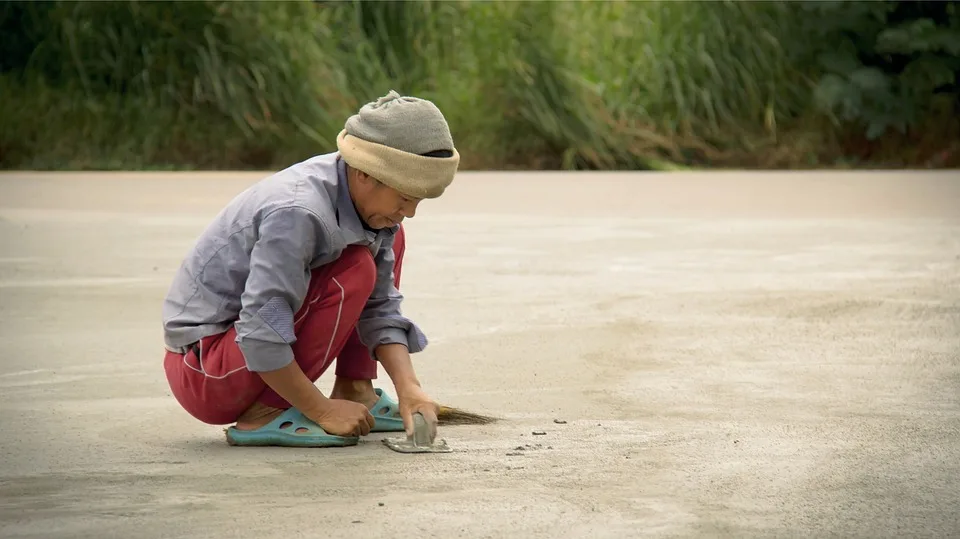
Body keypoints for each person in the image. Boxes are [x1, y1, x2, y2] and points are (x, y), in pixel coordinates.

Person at [161, 90, 460, 447]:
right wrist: (321, 410)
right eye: (405, 198)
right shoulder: (298, 213)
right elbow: (263, 326)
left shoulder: (363, 203)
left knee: (384, 243)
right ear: (366, 174)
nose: (408, 212)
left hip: (240, 356)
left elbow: (380, 308)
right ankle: (264, 415)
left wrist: (409, 387)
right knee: (353, 270)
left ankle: (356, 389)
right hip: (207, 371)